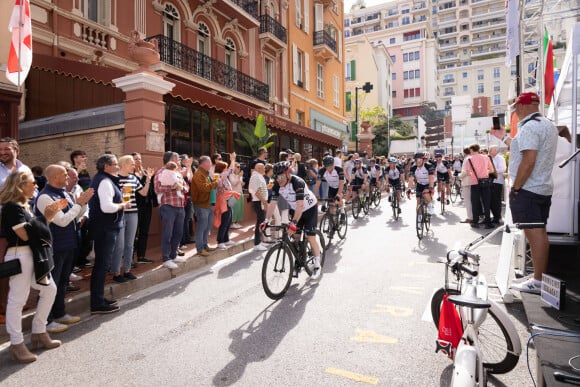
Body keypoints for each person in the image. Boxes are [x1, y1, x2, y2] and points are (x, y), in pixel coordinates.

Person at [492, 91, 558, 294]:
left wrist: (517, 188)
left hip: (528, 189)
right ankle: (539, 277)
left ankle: (538, 281)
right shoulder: (547, 124)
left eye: (515, 109)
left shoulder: (529, 127)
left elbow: (528, 161)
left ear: (521, 107)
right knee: (540, 233)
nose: (515, 113)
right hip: (542, 187)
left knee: (535, 235)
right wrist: (503, 137)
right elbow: (523, 147)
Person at [1, 172, 65, 363]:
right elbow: (25, 235)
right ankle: (16, 343)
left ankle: (39, 331)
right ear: (20, 185)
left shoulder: (24, 207)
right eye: (32, 183)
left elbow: (35, 230)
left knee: (50, 290)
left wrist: (47, 217)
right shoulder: (12, 207)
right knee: (17, 300)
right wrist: (45, 217)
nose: (36, 186)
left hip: (33, 256)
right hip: (20, 254)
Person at [35, 165, 93, 334]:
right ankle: (46, 320)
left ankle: (59, 313)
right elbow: (61, 221)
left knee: (62, 282)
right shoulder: (45, 197)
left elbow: (74, 215)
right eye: (64, 174)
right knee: (50, 285)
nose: (68, 177)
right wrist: (78, 205)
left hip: (69, 244)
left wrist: (82, 204)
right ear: (53, 177)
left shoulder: (64, 194)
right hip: (55, 247)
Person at [262, 162, 322, 279]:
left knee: (310, 237)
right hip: (296, 211)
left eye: (281, 176)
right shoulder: (277, 185)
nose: (278, 180)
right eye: (276, 176)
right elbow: (272, 204)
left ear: (288, 174)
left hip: (309, 209)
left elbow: (300, 206)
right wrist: (265, 221)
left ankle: (317, 265)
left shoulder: (297, 183)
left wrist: (293, 223)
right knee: (295, 238)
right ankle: (299, 262)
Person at [88, 154, 131, 314]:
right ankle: (97, 302)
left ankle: (98, 298)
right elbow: (106, 207)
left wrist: (119, 193)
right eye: (115, 164)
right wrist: (122, 205)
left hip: (104, 227)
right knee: (102, 265)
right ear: (106, 166)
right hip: (105, 228)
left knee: (102, 264)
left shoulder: (105, 180)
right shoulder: (104, 181)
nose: (118, 166)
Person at [111, 155, 150, 282]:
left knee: (130, 244)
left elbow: (143, 193)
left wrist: (148, 180)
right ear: (124, 164)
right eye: (132, 163)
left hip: (133, 213)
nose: (135, 165)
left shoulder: (133, 178)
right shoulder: (114, 179)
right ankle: (116, 272)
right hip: (120, 213)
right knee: (120, 245)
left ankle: (127, 270)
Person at [154, 152, 189, 268]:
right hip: (168, 206)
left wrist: (182, 187)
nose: (179, 161)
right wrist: (173, 187)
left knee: (178, 233)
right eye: (177, 159)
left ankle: (173, 255)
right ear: (171, 160)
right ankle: (166, 258)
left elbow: (186, 187)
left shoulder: (177, 173)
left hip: (180, 206)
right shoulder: (160, 172)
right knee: (167, 233)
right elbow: (158, 188)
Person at [190, 155, 218, 257]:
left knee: (207, 226)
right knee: (201, 227)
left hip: (208, 204)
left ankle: (205, 245)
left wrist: (215, 182)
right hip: (201, 205)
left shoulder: (206, 174)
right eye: (210, 162)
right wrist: (215, 183)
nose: (211, 164)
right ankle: (200, 248)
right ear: (204, 163)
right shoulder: (198, 174)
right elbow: (204, 188)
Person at [132, 152, 156, 265]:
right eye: (136, 159)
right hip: (135, 206)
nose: (139, 161)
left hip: (147, 206)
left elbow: (151, 189)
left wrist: (150, 178)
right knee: (133, 233)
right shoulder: (131, 175)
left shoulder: (146, 172)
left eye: (140, 159)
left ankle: (141, 256)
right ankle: (130, 258)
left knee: (144, 231)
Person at [464, 143, 495, 228]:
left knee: (475, 202)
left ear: (471, 150)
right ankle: (488, 222)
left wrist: (474, 174)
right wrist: (485, 172)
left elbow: (468, 173)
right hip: (485, 182)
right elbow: (492, 170)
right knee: (486, 202)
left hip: (475, 183)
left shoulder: (469, 159)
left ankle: (475, 221)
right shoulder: (486, 157)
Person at [213, 158, 240, 250]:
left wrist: (232, 160)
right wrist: (232, 160)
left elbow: (230, 170)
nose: (227, 169)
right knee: (224, 221)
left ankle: (226, 239)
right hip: (223, 200)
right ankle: (220, 241)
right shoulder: (219, 176)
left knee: (228, 220)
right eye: (225, 168)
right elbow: (230, 170)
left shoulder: (224, 176)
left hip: (228, 199)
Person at [248, 162, 269, 251]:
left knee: (261, 221)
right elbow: (256, 191)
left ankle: (259, 241)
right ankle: (257, 243)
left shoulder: (258, 176)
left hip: (260, 201)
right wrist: (264, 202)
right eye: (263, 168)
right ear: (259, 169)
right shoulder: (255, 176)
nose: (265, 169)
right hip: (259, 202)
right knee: (260, 222)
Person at [488, 145, 507, 224]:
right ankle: (495, 216)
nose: (489, 151)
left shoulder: (500, 158)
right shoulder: (489, 158)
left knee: (496, 200)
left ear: (495, 151)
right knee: (491, 200)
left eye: (491, 150)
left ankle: (498, 217)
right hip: (490, 181)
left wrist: (492, 171)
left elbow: (503, 169)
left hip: (497, 181)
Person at [180, 154, 195, 247]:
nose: (187, 161)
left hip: (188, 198)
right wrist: (188, 166)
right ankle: (183, 241)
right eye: (186, 160)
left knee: (188, 219)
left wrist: (189, 166)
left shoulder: (188, 168)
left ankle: (187, 238)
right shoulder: (180, 169)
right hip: (182, 198)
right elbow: (186, 176)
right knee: (183, 220)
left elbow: (191, 179)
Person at [458, 148, 474, 223]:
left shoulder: (466, 159)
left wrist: (459, 176)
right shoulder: (473, 158)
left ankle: (470, 217)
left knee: (467, 200)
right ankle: (474, 216)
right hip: (474, 181)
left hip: (467, 181)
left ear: (464, 153)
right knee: (473, 200)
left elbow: (465, 171)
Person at [228, 161, 245, 229]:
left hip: (240, 193)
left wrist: (241, 182)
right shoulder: (231, 175)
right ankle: (233, 222)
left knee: (239, 208)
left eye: (239, 167)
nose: (239, 168)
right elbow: (234, 183)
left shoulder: (238, 175)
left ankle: (237, 222)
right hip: (234, 194)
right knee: (235, 208)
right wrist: (239, 176)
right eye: (237, 167)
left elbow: (239, 184)